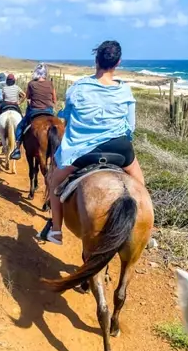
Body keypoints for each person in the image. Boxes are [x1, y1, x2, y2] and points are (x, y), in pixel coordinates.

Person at [40, 40, 145, 246]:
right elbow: (130, 127)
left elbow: (67, 118)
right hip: (119, 149)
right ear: (118, 63)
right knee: (140, 185)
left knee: (54, 181)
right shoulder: (125, 91)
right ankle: (147, 230)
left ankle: (56, 231)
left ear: (96, 60)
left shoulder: (78, 88)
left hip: (84, 150)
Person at [10, 63, 57, 160]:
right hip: (49, 110)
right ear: (45, 73)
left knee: (20, 127)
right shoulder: (50, 84)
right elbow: (55, 100)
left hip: (34, 111)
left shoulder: (31, 84)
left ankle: (17, 149)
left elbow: (27, 97)